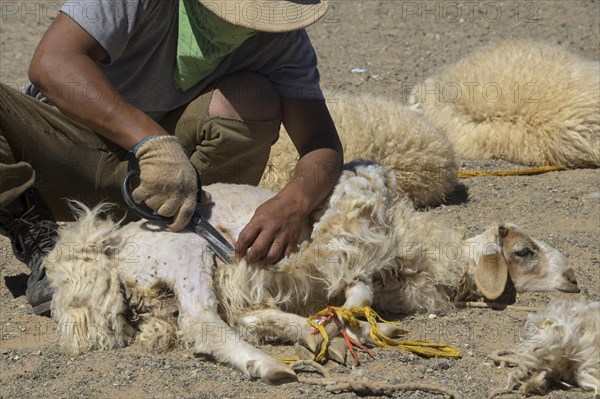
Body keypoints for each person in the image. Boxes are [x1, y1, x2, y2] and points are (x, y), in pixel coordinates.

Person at [0, 0, 343, 316]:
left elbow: (320, 143)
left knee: (252, 98)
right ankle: (47, 248)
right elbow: (52, 64)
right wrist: (151, 143)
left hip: (171, 196)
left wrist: (293, 203)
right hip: (59, 161)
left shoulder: (280, 41)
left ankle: (183, 248)